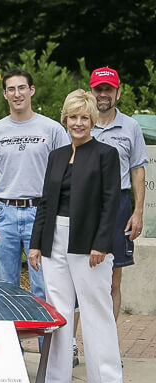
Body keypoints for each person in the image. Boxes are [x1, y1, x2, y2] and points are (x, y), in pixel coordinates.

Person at [29, 89, 124, 383]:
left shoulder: (106, 154)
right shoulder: (56, 156)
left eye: (84, 117)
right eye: (73, 117)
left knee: (97, 306)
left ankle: (110, 378)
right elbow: (45, 202)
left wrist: (102, 243)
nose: (78, 123)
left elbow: (111, 203)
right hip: (54, 238)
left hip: (90, 240)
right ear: (65, 119)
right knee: (58, 309)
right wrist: (36, 243)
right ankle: (55, 381)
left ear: (93, 120)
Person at [0, 69, 69, 298]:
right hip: (4, 215)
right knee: (5, 290)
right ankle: (12, 335)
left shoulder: (52, 129)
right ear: (5, 94)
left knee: (44, 287)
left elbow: (67, 175)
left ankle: (49, 336)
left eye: (22, 88)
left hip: (41, 213)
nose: (17, 94)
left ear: (31, 90)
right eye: (11, 89)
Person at [89, 67, 149, 321]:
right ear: (91, 92)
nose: (103, 94)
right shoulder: (81, 122)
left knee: (113, 279)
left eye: (108, 89)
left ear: (118, 92)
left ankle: (109, 347)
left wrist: (137, 212)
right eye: (99, 89)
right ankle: (72, 345)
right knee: (80, 281)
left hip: (119, 206)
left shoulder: (131, 126)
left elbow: (138, 171)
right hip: (85, 205)